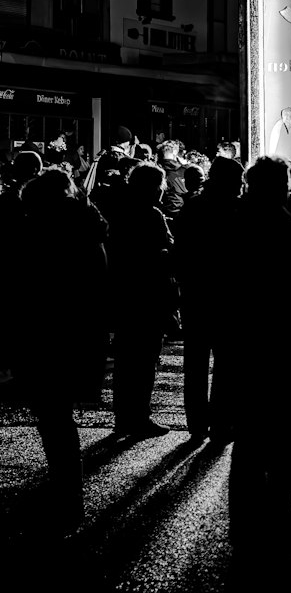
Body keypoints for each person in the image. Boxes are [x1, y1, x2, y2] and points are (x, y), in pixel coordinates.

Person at [225, 155, 291, 556]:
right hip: (287, 352)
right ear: (283, 187)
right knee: (285, 440)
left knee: (249, 442)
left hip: (246, 350)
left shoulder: (233, 230)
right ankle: (282, 517)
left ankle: (245, 524)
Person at [4, 167, 109, 533]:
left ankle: (66, 498)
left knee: (53, 418)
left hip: (42, 335)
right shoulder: (89, 230)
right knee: (59, 418)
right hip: (80, 335)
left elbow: (20, 291)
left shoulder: (35, 235)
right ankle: (68, 495)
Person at [172, 155, 245, 445]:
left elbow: (182, 248)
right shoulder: (235, 209)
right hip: (225, 293)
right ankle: (221, 422)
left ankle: (198, 423)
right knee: (227, 361)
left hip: (195, 292)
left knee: (196, 361)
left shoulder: (193, 205)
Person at [105, 163, 176, 438]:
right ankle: (139, 416)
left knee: (125, 359)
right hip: (148, 295)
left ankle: (123, 416)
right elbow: (165, 253)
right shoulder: (151, 215)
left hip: (124, 294)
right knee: (144, 359)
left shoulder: (117, 212)